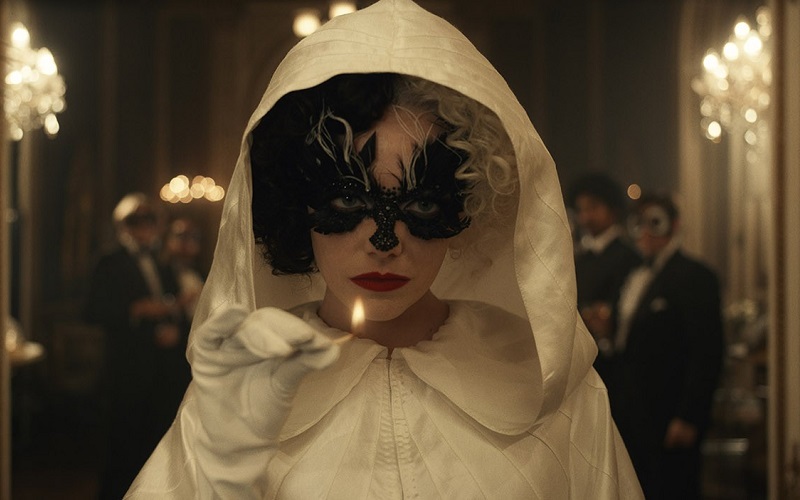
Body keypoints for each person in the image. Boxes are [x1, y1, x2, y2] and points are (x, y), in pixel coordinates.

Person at [126, 1, 642, 498]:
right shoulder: (238, 399)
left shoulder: (554, 393)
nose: (384, 242)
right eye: (349, 198)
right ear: (296, 200)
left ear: (468, 203)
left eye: (422, 204)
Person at [609, 194, 724, 499]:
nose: (646, 231)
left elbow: (707, 352)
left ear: (674, 225)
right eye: (639, 223)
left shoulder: (696, 276)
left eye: (655, 222)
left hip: (669, 411)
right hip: (635, 412)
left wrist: (689, 416)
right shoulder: (636, 274)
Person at [84, 193, 193, 499]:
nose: (144, 225)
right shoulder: (108, 261)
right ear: (122, 224)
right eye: (136, 219)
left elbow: (173, 305)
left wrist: (173, 326)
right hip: (126, 369)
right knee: (121, 448)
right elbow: (92, 310)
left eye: (150, 219)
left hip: (163, 370)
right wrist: (136, 310)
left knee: (156, 445)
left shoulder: (163, 262)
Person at [566, 173, 641, 376]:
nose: (585, 217)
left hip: (616, 361)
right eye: (581, 210)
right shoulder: (579, 258)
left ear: (612, 209)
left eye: (593, 208)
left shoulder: (629, 256)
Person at [161, 217, 205, 320]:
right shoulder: (160, 272)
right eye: (182, 236)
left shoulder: (201, 272)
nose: (188, 242)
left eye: (194, 237)